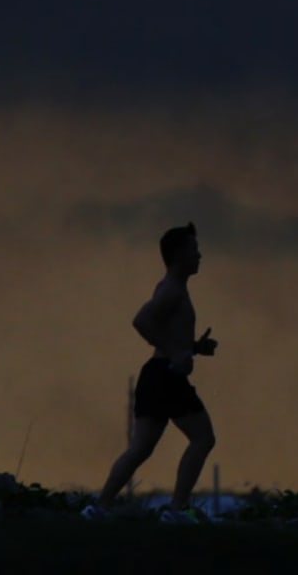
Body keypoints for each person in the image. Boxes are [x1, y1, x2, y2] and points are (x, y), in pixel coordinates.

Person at [82, 222, 218, 524]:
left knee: (140, 449)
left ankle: (98, 508)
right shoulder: (171, 289)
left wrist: (195, 347)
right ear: (179, 254)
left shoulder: (175, 288)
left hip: (156, 375)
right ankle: (177, 510)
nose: (200, 256)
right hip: (166, 376)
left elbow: (170, 336)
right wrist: (175, 354)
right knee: (203, 438)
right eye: (194, 250)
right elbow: (142, 321)